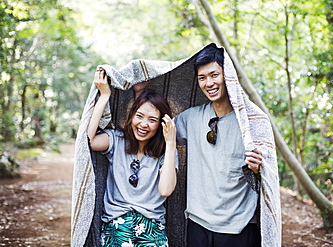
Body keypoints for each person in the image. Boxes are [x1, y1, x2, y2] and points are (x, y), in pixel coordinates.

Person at [175, 46, 264, 246]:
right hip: (197, 225)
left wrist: (258, 170)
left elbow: (269, 179)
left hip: (240, 227)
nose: (209, 83)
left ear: (228, 76)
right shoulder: (191, 118)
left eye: (214, 75)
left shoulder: (251, 122)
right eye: (202, 78)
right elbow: (154, 131)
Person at [87, 69, 177, 247]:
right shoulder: (117, 140)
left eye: (152, 120)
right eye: (139, 116)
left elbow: (165, 190)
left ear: (161, 125)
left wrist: (171, 142)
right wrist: (105, 95)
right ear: (131, 116)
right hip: (117, 226)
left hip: (152, 230)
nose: (144, 124)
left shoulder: (164, 152)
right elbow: (90, 141)